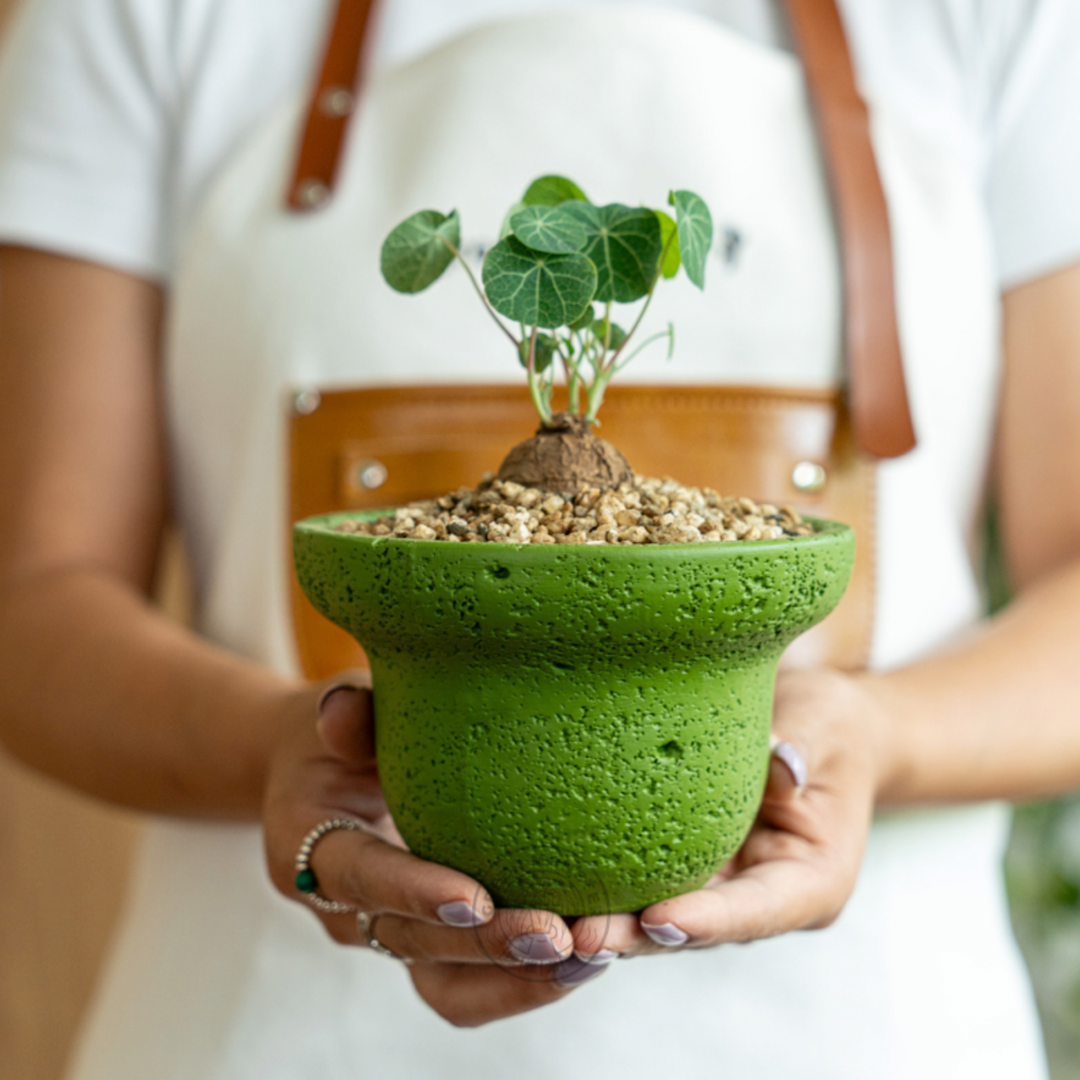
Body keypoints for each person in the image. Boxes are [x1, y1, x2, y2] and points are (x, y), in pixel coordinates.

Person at [0, 0, 1078, 1077]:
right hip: (275, 1031)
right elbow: (34, 601)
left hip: (861, 1031)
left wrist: (873, 736)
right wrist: (280, 745)